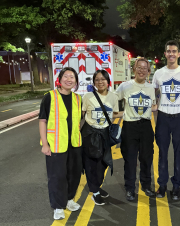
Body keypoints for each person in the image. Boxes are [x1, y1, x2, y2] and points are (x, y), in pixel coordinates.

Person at [39, 67, 82, 220]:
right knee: (57, 176)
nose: (69, 79)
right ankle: (58, 206)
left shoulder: (78, 98)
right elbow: (43, 121)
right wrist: (45, 144)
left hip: (75, 144)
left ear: (76, 81)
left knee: (74, 174)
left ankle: (69, 199)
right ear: (60, 79)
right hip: (55, 144)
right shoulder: (49, 97)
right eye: (66, 76)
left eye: (72, 77)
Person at [152, 40, 180, 200]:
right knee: (162, 153)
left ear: (179, 54)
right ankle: (162, 186)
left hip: (179, 118)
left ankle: (176, 186)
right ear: (165, 53)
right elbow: (154, 91)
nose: (171, 54)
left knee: (178, 153)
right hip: (162, 117)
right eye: (169, 51)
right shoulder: (158, 73)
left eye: (174, 51)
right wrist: (155, 103)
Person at [115, 58, 157, 201]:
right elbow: (113, 100)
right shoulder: (125, 86)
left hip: (146, 126)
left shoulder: (151, 88)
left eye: (145, 68)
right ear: (134, 69)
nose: (142, 70)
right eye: (139, 67)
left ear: (148, 72)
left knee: (146, 158)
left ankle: (146, 186)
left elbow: (153, 106)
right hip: (130, 127)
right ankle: (130, 189)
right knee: (130, 159)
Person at [81, 70, 121, 205]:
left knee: (103, 163)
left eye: (103, 79)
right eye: (97, 80)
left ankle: (96, 186)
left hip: (104, 134)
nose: (100, 82)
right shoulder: (87, 97)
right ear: (94, 83)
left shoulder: (113, 97)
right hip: (90, 134)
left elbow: (113, 114)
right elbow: (81, 114)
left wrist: (128, 113)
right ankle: (95, 191)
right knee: (91, 164)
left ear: (108, 81)